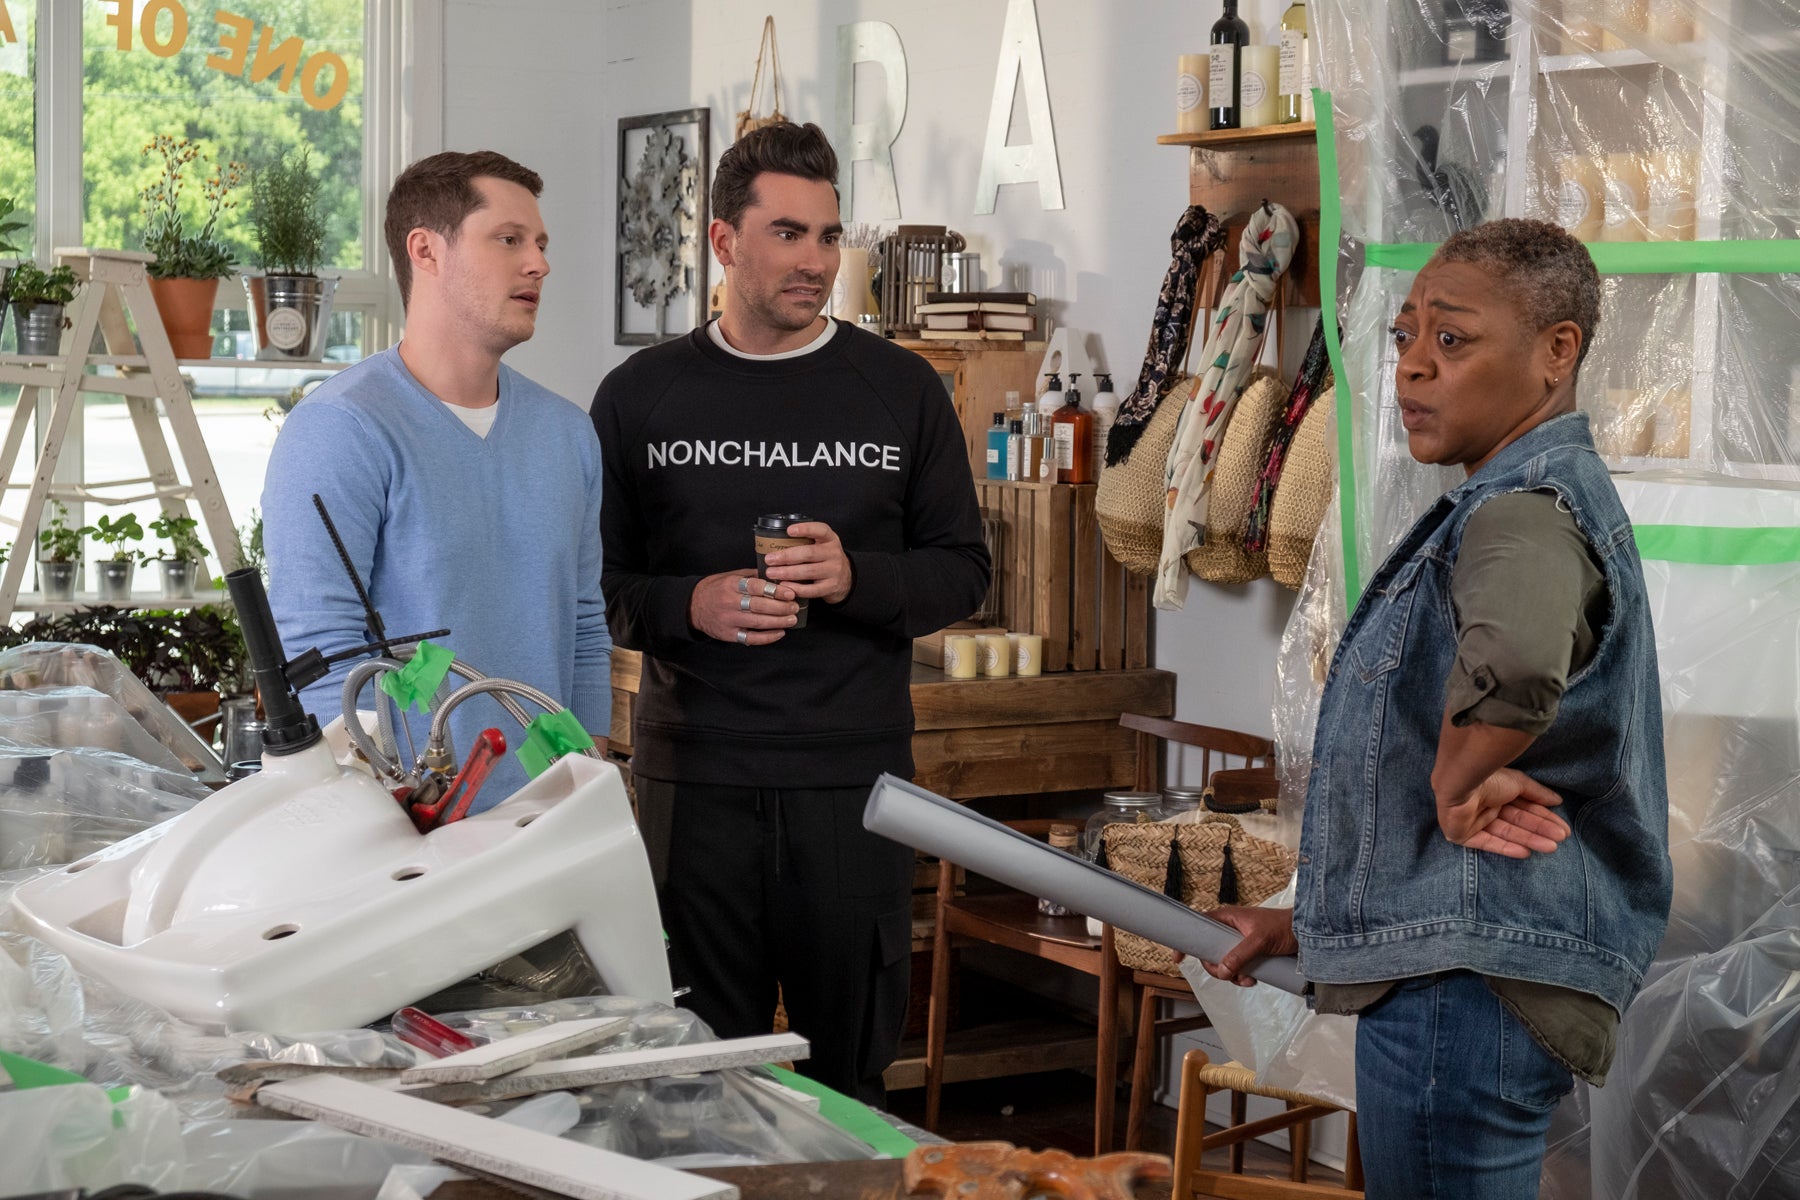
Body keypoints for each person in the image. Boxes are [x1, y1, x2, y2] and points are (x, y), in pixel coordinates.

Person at [1200, 219, 1672, 1197]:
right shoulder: (1522, 496)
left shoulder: (1525, 507)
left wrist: (1459, 784)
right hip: (1467, 974)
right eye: (1405, 339)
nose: (1414, 368)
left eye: (1451, 341)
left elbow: (1516, 660)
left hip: (1465, 999)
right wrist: (1316, 923)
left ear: (1557, 353)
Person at [591, 121, 990, 1104]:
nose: (815, 260)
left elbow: (962, 574)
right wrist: (692, 603)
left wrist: (859, 579)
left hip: (853, 787)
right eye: (787, 234)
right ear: (725, 243)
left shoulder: (899, 390)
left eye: (828, 235)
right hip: (696, 784)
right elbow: (595, 590)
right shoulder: (641, 397)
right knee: (692, 1079)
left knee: (849, 1078)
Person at [263, 150, 610, 807]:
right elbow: (317, 652)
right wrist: (377, 815)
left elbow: (584, 627)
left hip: (547, 821)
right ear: (426, 250)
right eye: (509, 240)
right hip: (403, 829)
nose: (539, 263)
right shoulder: (340, 430)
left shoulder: (568, 433)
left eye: (539, 244)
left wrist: (583, 786)